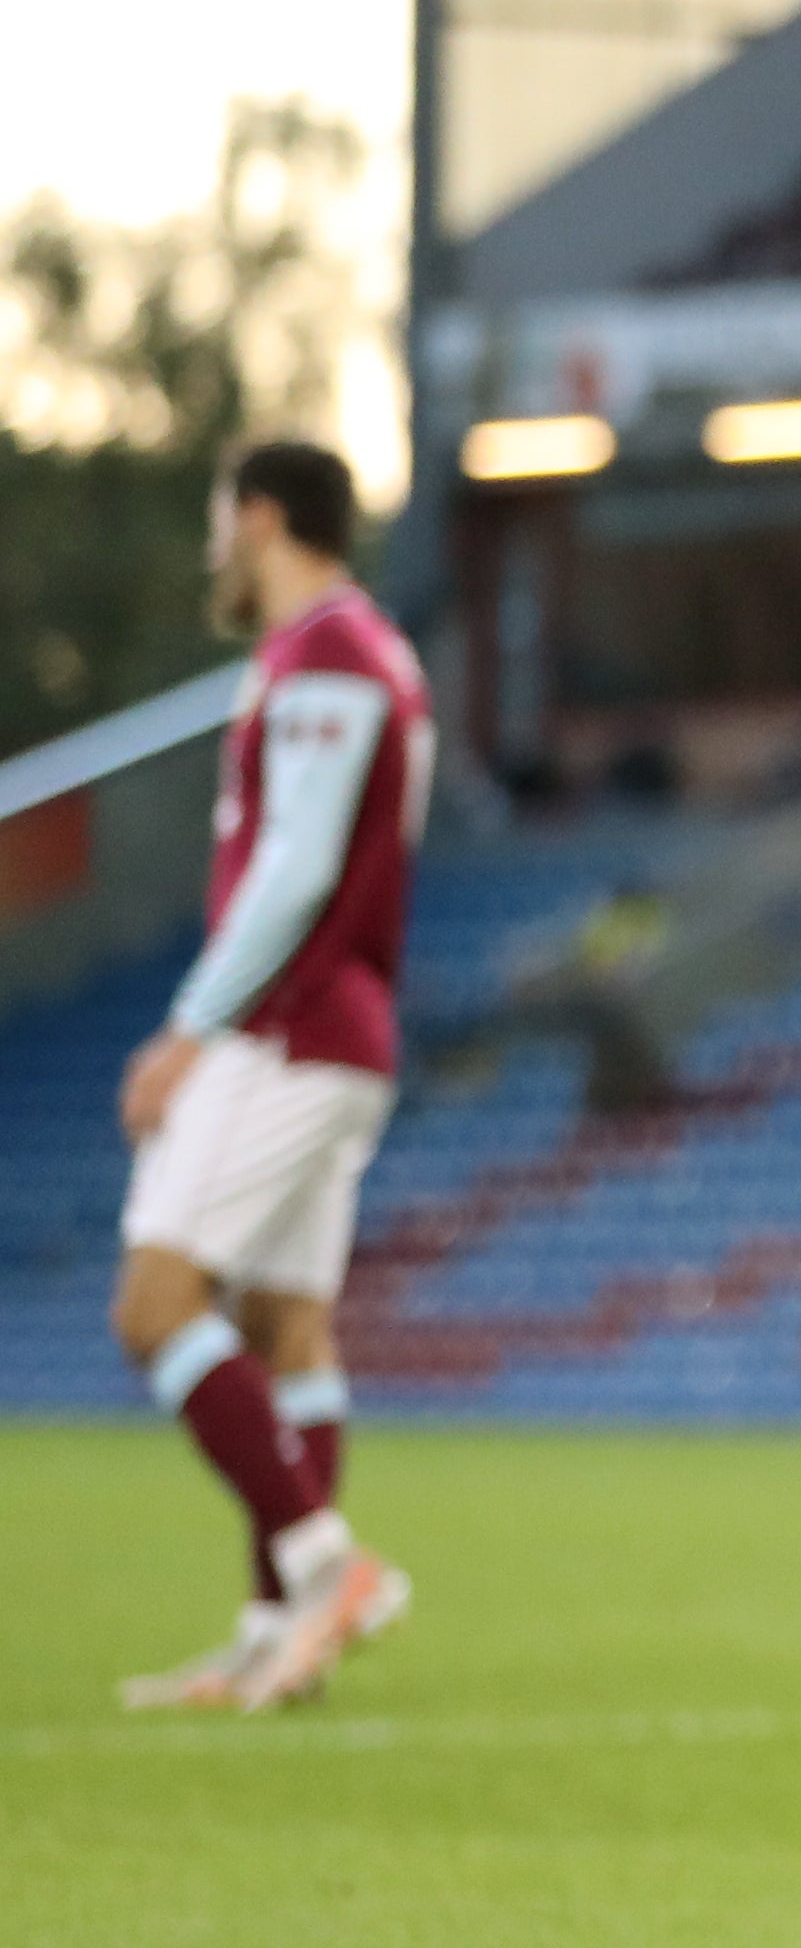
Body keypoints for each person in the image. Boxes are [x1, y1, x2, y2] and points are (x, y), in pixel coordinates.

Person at [111, 442, 424, 1712]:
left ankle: (322, 1566)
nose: (214, 546)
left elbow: (298, 868)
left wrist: (190, 1028)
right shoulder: (365, 652)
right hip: (344, 1028)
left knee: (154, 1306)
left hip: (291, 1027)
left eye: (219, 518)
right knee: (283, 1327)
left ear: (261, 516)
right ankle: (268, 1635)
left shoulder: (328, 653)